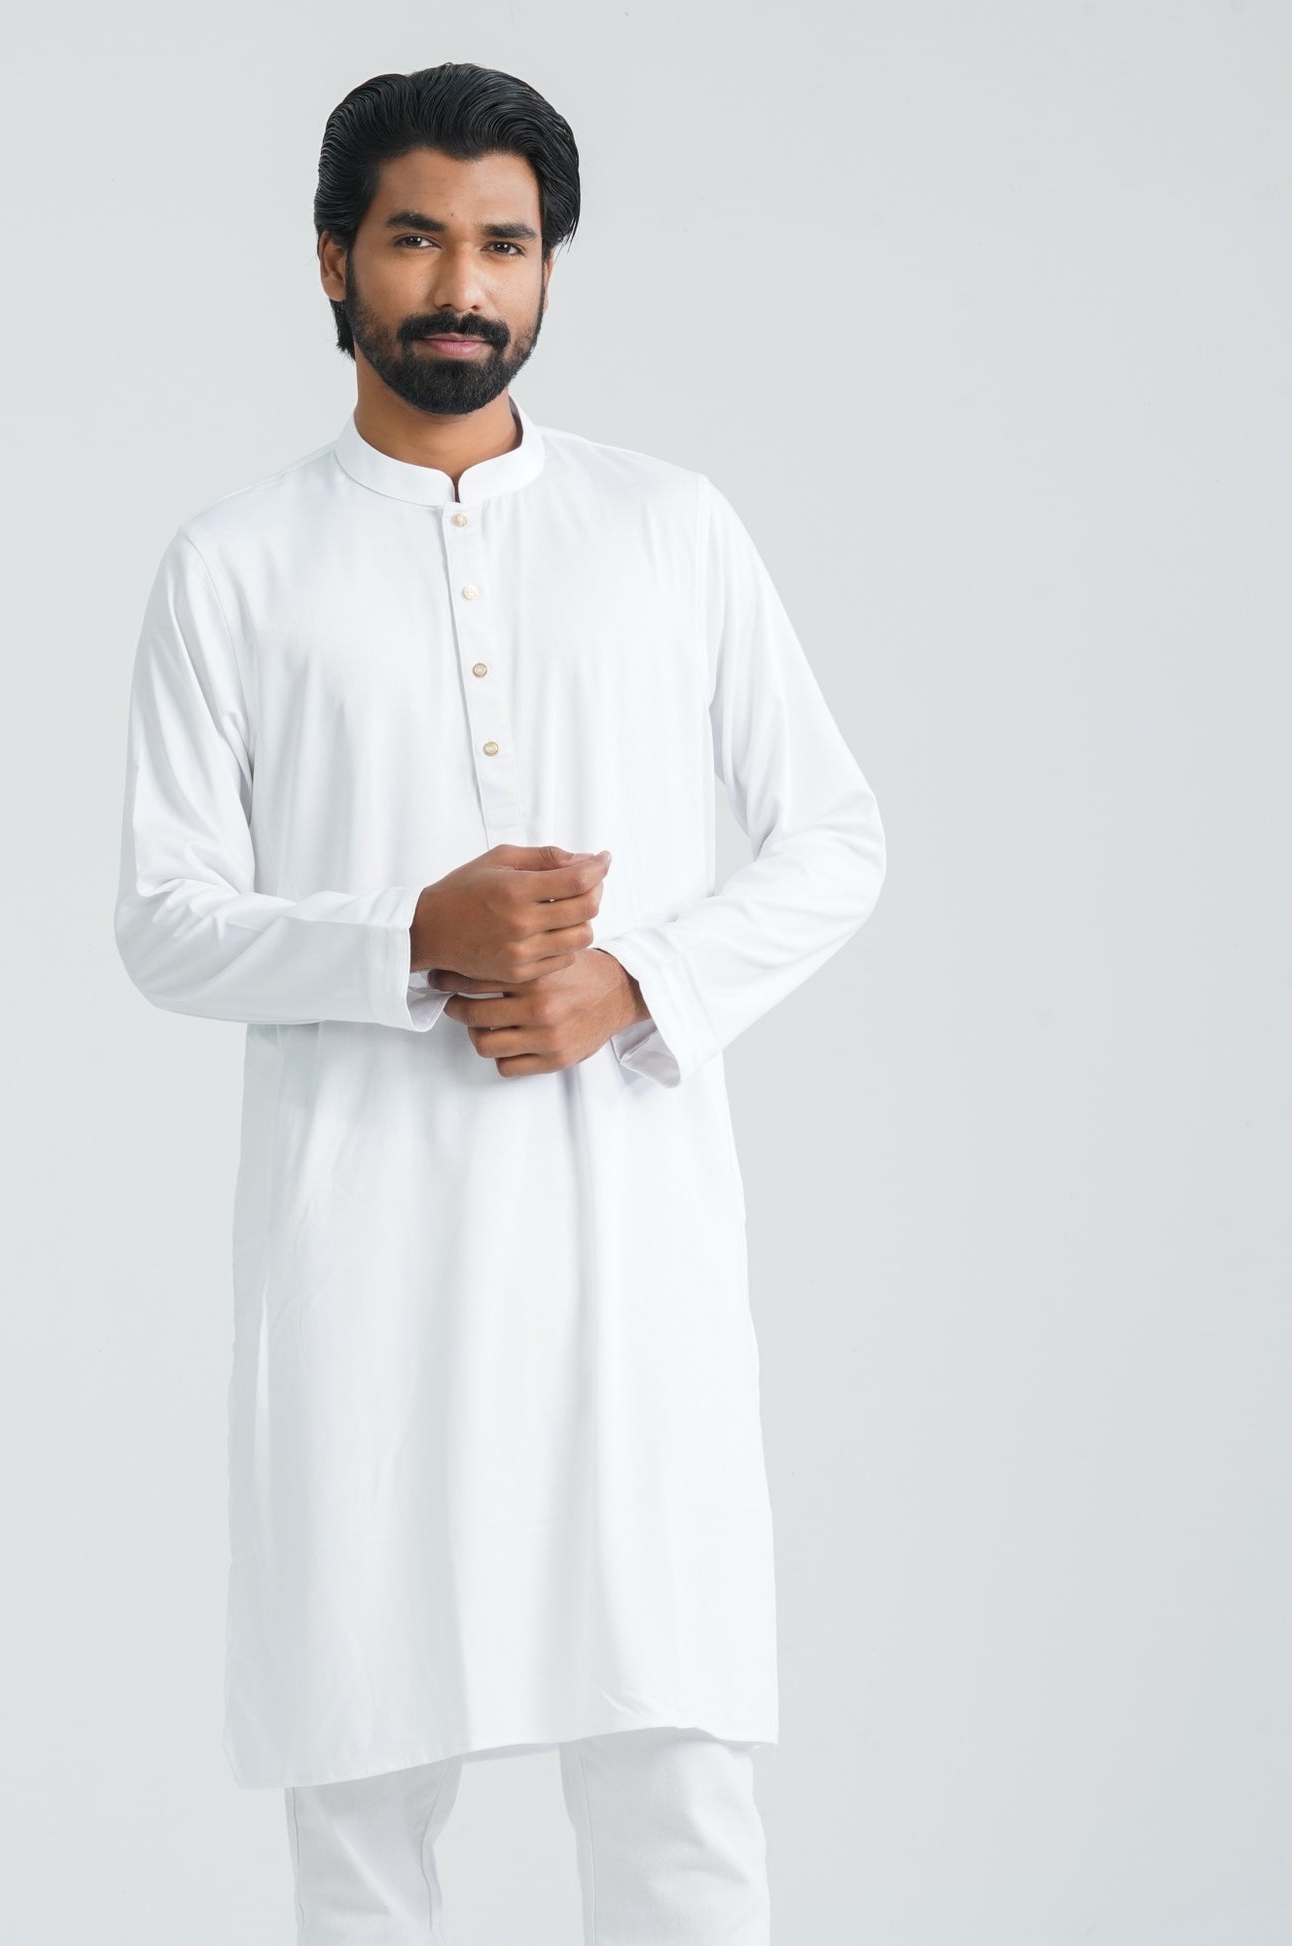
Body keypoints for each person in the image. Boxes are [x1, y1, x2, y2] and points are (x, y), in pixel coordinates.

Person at [112, 60, 886, 1945]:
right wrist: (410, 936)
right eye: (415, 239)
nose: (463, 285)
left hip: (634, 1266)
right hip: (363, 1271)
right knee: (363, 1806)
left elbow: (834, 836)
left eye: (505, 244)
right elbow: (164, 921)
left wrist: (635, 982)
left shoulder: (668, 529)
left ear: (546, 266)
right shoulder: (236, 566)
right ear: (332, 261)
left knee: (677, 1782)